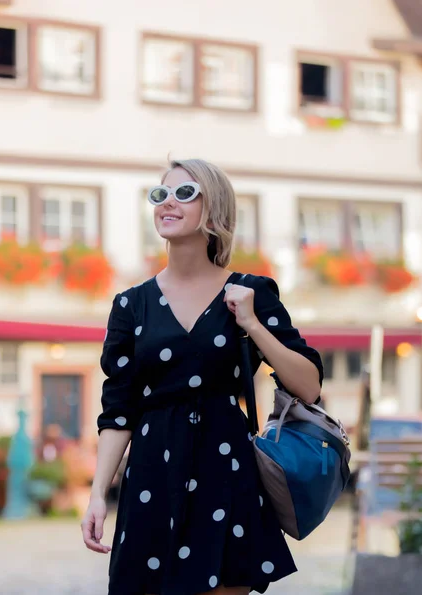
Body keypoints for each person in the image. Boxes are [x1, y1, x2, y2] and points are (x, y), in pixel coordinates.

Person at [81, 159, 323, 595]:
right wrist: (99, 491)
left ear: (213, 211)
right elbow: (118, 412)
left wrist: (251, 323)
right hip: (152, 475)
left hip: (225, 468)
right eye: (160, 194)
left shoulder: (252, 292)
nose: (168, 203)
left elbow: (308, 386)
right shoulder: (130, 305)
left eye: (184, 193)